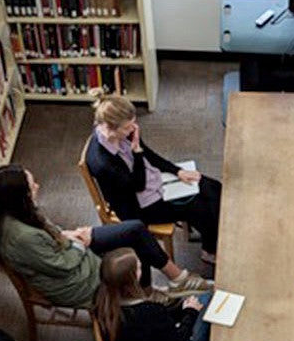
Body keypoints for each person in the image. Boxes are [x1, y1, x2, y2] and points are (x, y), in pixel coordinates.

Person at [0, 165, 208, 308]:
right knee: (127, 263)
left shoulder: (14, 210)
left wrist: (70, 235)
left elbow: (48, 231)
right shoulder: (20, 236)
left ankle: (177, 280)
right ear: (19, 196)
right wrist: (79, 243)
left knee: (135, 230)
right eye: (32, 186)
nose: (38, 186)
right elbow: (62, 267)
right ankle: (146, 297)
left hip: (66, 250)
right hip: (73, 279)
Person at [85, 92, 223, 263]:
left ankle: (213, 234)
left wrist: (177, 171)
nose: (134, 129)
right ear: (111, 128)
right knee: (200, 208)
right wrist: (136, 151)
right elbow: (138, 184)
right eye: (128, 127)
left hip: (148, 180)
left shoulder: (123, 131)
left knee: (213, 187)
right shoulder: (103, 162)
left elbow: (148, 155)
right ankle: (209, 250)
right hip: (137, 206)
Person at [94, 248, 212, 341]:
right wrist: (190, 312)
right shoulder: (148, 312)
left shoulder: (101, 298)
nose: (141, 266)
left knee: (193, 305)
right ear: (133, 277)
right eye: (138, 266)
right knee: (207, 299)